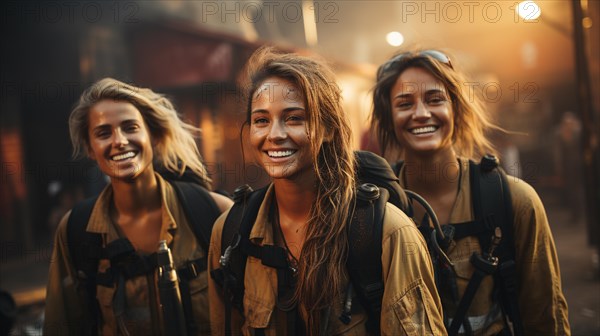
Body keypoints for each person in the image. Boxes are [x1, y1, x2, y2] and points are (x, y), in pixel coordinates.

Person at [207, 47, 445, 335]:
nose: (275, 134)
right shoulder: (231, 231)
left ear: (329, 129)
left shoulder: (387, 232)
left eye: (294, 118)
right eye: (261, 120)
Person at [371, 49, 570, 335]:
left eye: (435, 99)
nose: (421, 113)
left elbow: (546, 317)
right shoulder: (373, 211)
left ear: (456, 109)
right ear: (389, 118)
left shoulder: (515, 201)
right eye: (404, 103)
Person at [43, 78, 233, 335]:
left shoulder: (214, 213)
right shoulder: (75, 231)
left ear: (152, 135)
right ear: (90, 148)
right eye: (103, 133)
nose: (119, 140)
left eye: (130, 127)